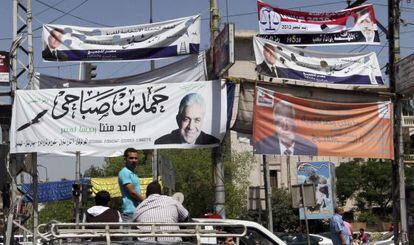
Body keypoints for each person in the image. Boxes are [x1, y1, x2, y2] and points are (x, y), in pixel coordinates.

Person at [154, 93, 220, 145]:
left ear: (203, 121)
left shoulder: (213, 142)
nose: (191, 127)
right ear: (178, 120)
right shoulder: (161, 143)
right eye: (186, 119)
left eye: (197, 120)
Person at [118, 148, 144, 222]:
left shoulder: (134, 174)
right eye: (131, 158)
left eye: (136, 158)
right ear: (125, 159)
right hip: (129, 213)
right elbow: (132, 192)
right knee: (129, 233)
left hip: (137, 212)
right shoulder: (124, 172)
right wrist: (146, 201)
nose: (134, 160)